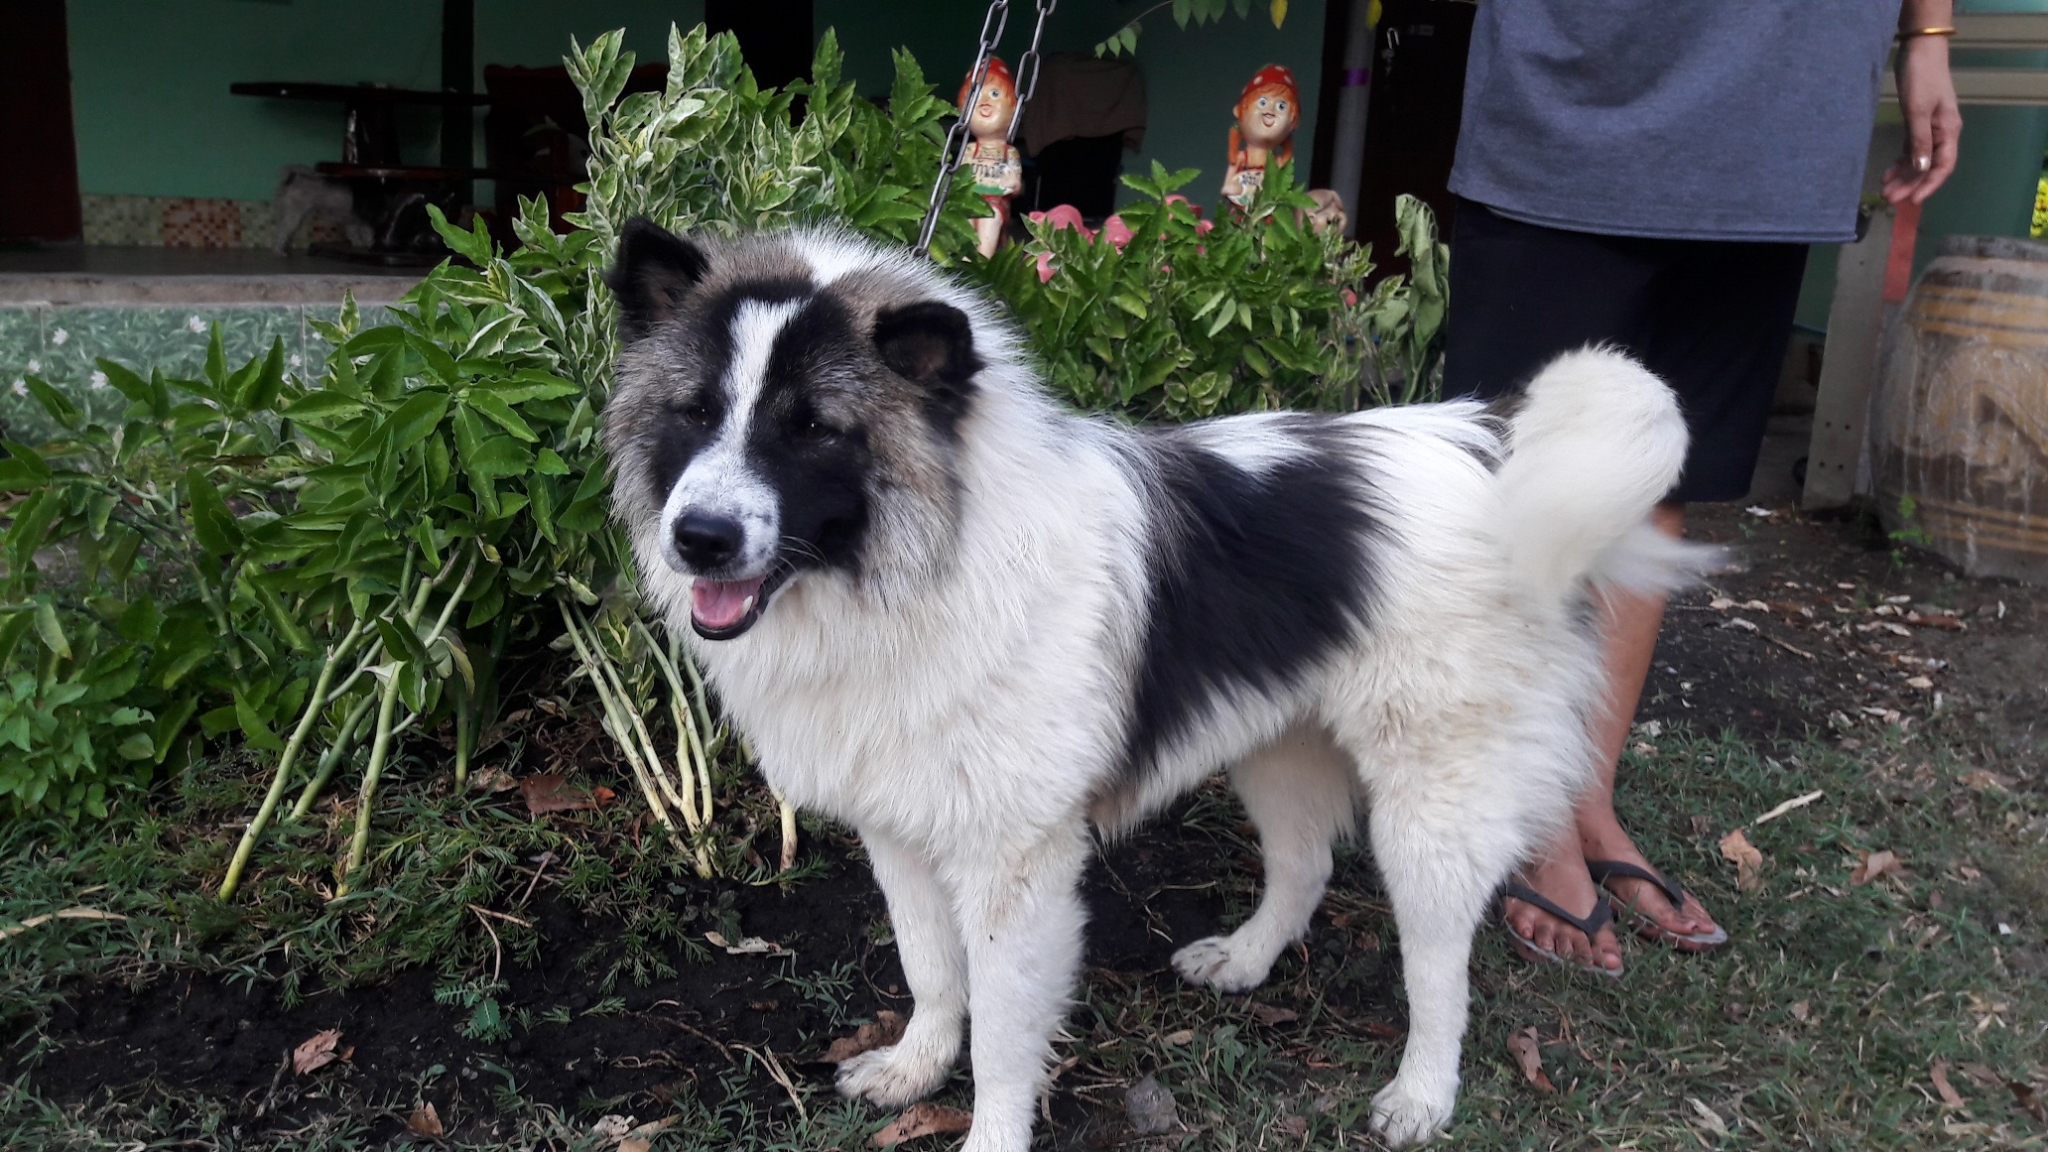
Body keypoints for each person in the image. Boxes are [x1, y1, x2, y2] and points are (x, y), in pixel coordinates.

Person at [1441, 0, 1961, 974]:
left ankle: (1583, 799)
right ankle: (1527, 813)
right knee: (1521, 459)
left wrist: (1926, 35)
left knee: (1663, 468)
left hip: (1780, 109)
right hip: (1584, 78)